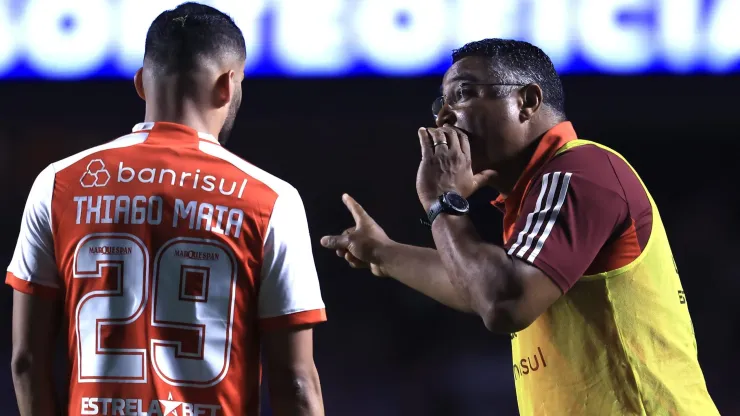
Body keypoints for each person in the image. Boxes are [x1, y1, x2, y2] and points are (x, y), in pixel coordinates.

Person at [321, 38, 718, 415]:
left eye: (462, 93)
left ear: (526, 102)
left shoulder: (580, 172)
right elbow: (476, 287)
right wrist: (383, 252)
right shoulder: (539, 192)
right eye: (440, 103)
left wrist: (443, 201)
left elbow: (504, 302)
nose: (443, 116)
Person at [7, 3, 326, 416]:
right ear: (228, 85)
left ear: (141, 83)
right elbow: (296, 383)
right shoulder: (271, 201)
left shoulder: (58, 184)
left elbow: (25, 362)